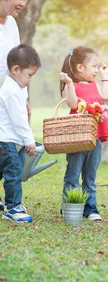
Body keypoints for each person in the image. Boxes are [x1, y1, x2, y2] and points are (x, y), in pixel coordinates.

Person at [60, 46, 108, 221]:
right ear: (80, 68)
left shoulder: (94, 84)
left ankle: (90, 208)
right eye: (94, 66)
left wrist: (105, 76)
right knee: (73, 173)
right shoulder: (72, 85)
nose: (97, 70)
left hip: (94, 137)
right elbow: (73, 104)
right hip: (77, 137)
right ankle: (69, 205)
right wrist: (68, 84)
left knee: (90, 175)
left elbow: (105, 95)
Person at [0, 0, 32, 210]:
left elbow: (17, 65)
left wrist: (24, 99)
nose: (22, 2)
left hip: (7, 98)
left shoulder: (11, 24)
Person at [0, 44, 41, 222]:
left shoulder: (15, 89)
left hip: (4, 140)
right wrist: (29, 141)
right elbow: (18, 121)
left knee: (3, 171)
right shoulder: (11, 92)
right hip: (6, 141)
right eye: (29, 75)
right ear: (16, 69)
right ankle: (13, 207)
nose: (30, 79)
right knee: (13, 173)